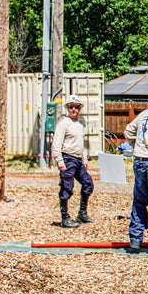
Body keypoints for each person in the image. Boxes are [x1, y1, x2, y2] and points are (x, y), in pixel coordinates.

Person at [51, 95, 94, 228]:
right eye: (71, 107)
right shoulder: (63, 123)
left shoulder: (80, 123)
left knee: (88, 184)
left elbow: (81, 144)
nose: (73, 109)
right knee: (66, 188)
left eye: (76, 107)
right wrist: (59, 160)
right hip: (67, 158)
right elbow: (56, 143)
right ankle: (64, 217)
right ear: (67, 109)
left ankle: (82, 213)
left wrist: (84, 158)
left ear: (79, 109)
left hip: (78, 160)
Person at [124, 104, 148, 249]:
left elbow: (128, 131)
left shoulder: (145, 114)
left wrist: (136, 146)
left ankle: (135, 239)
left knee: (139, 200)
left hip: (140, 160)